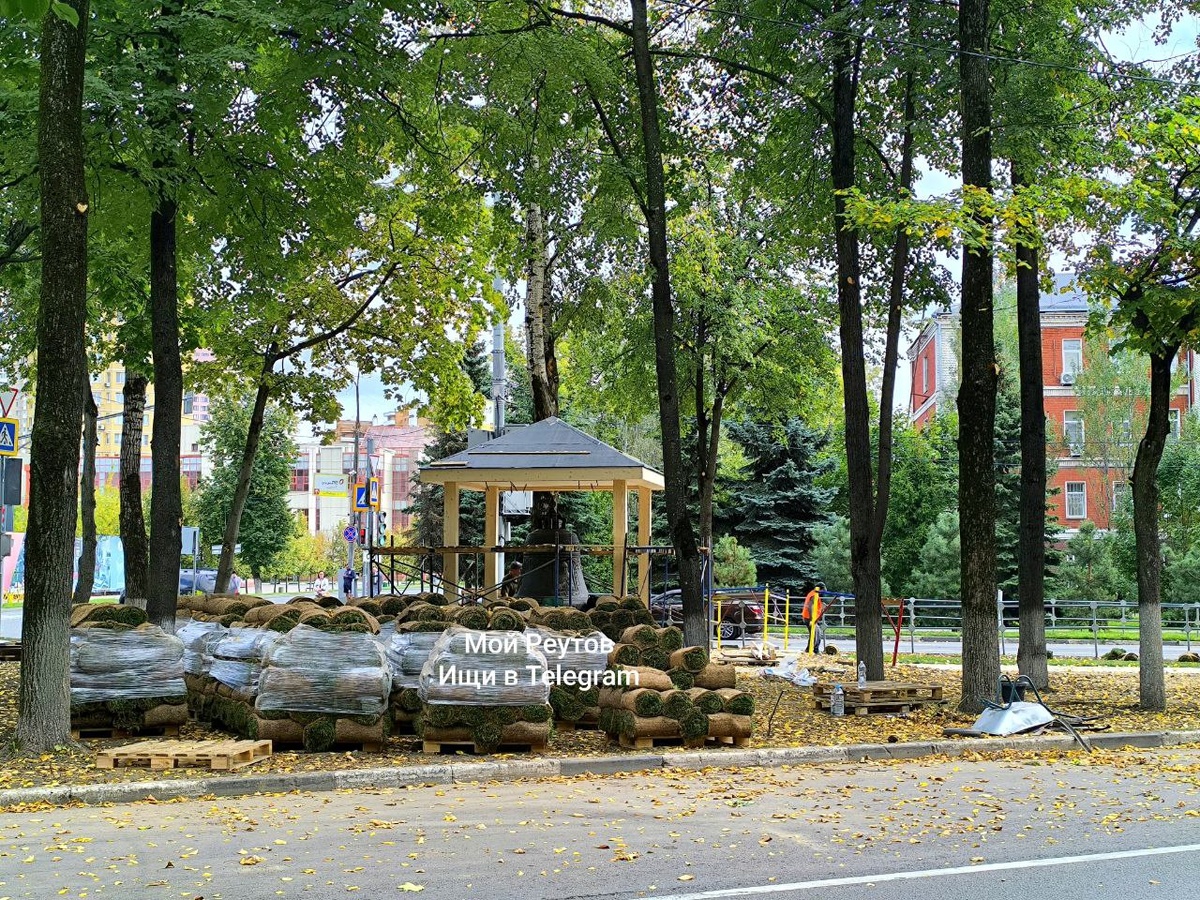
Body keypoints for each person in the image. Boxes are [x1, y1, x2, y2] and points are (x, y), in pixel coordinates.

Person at [802, 582, 826, 653]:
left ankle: (808, 649)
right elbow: (810, 607)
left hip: (808, 617)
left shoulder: (814, 593)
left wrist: (822, 606)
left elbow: (815, 606)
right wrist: (812, 620)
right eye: (823, 590)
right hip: (809, 618)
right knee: (816, 634)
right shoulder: (814, 595)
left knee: (814, 634)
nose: (823, 592)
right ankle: (815, 650)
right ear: (820, 589)